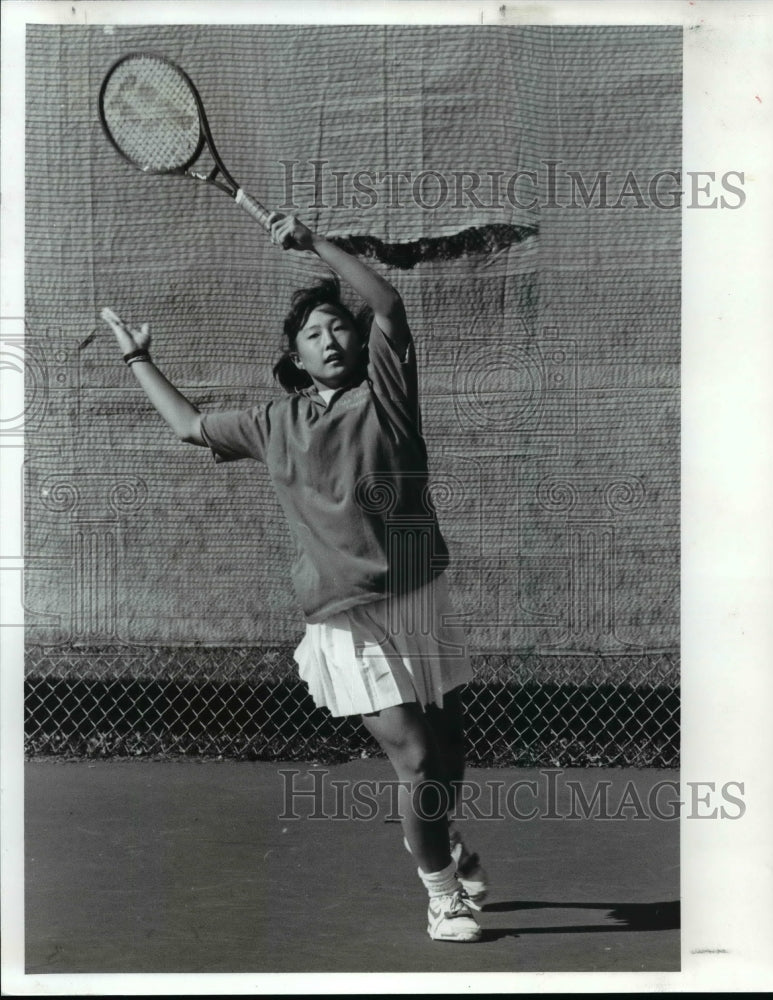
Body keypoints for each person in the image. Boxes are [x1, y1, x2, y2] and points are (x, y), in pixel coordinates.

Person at [101, 213, 489, 943]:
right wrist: (139, 361)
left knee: (447, 754)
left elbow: (387, 306)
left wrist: (312, 241)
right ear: (295, 358)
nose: (332, 337)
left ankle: (439, 841)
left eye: (337, 326)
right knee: (412, 755)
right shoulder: (270, 423)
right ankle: (441, 893)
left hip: (417, 592)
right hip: (344, 613)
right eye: (313, 333)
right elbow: (188, 426)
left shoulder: (387, 397)